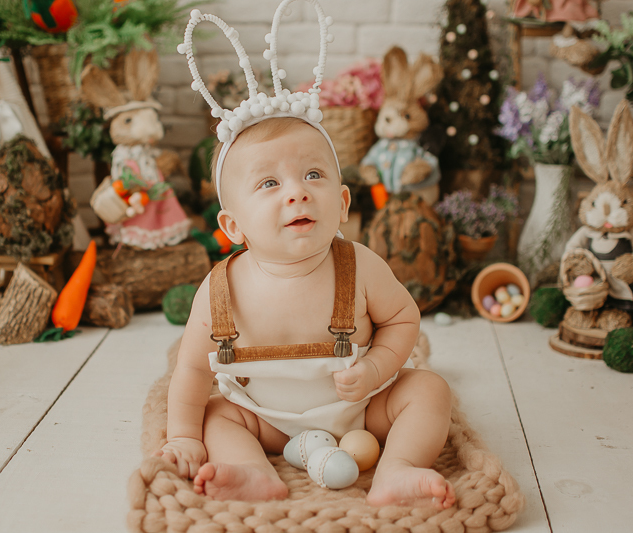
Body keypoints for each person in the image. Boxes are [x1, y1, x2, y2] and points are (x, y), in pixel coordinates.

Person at [153, 115, 455, 509]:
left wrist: (376, 369)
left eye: (313, 174)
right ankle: (252, 470)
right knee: (213, 415)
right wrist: (184, 437)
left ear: (343, 203)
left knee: (429, 390)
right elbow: (193, 370)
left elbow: (402, 319)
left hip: (362, 410)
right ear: (233, 226)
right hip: (264, 420)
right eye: (270, 183)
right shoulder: (220, 289)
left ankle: (398, 467)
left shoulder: (360, 266)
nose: (297, 192)